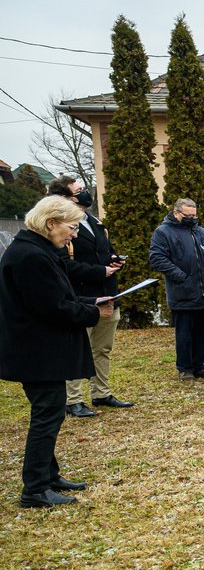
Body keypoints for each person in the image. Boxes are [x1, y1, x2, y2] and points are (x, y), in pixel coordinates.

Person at [0, 197, 114, 507]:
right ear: (51, 223)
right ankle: (35, 488)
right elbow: (52, 308)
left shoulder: (36, 251)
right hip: (36, 352)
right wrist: (93, 314)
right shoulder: (30, 257)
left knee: (49, 413)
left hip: (38, 350)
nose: (74, 234)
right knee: (47, 416)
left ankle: (48, 475)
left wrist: (90, 302)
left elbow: (58, 295)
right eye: (72, 227)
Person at [48, 175, 131, 416]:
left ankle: (101, 393)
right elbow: (63, 265)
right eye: (79, 190)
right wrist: (100, 271)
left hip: (107, 295)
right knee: (77, 348)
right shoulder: (59, 226)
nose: (86, 193)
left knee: (102, 349)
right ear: (65, 198)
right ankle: (73, 400)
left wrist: (114, 261)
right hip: (81, 297)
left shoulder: (93, 221)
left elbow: (106, 249)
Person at [149, 198, 204, 381]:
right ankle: (184, 368)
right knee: (184, 333)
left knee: (202, 332)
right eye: (188, 215)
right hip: (182, 291)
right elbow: (157, 259)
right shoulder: (163, 232)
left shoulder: (200, 231)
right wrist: (181, 277)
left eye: (194, 215)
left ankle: (199, 365)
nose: (192, 218)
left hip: (203, 291)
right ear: (176, 213)